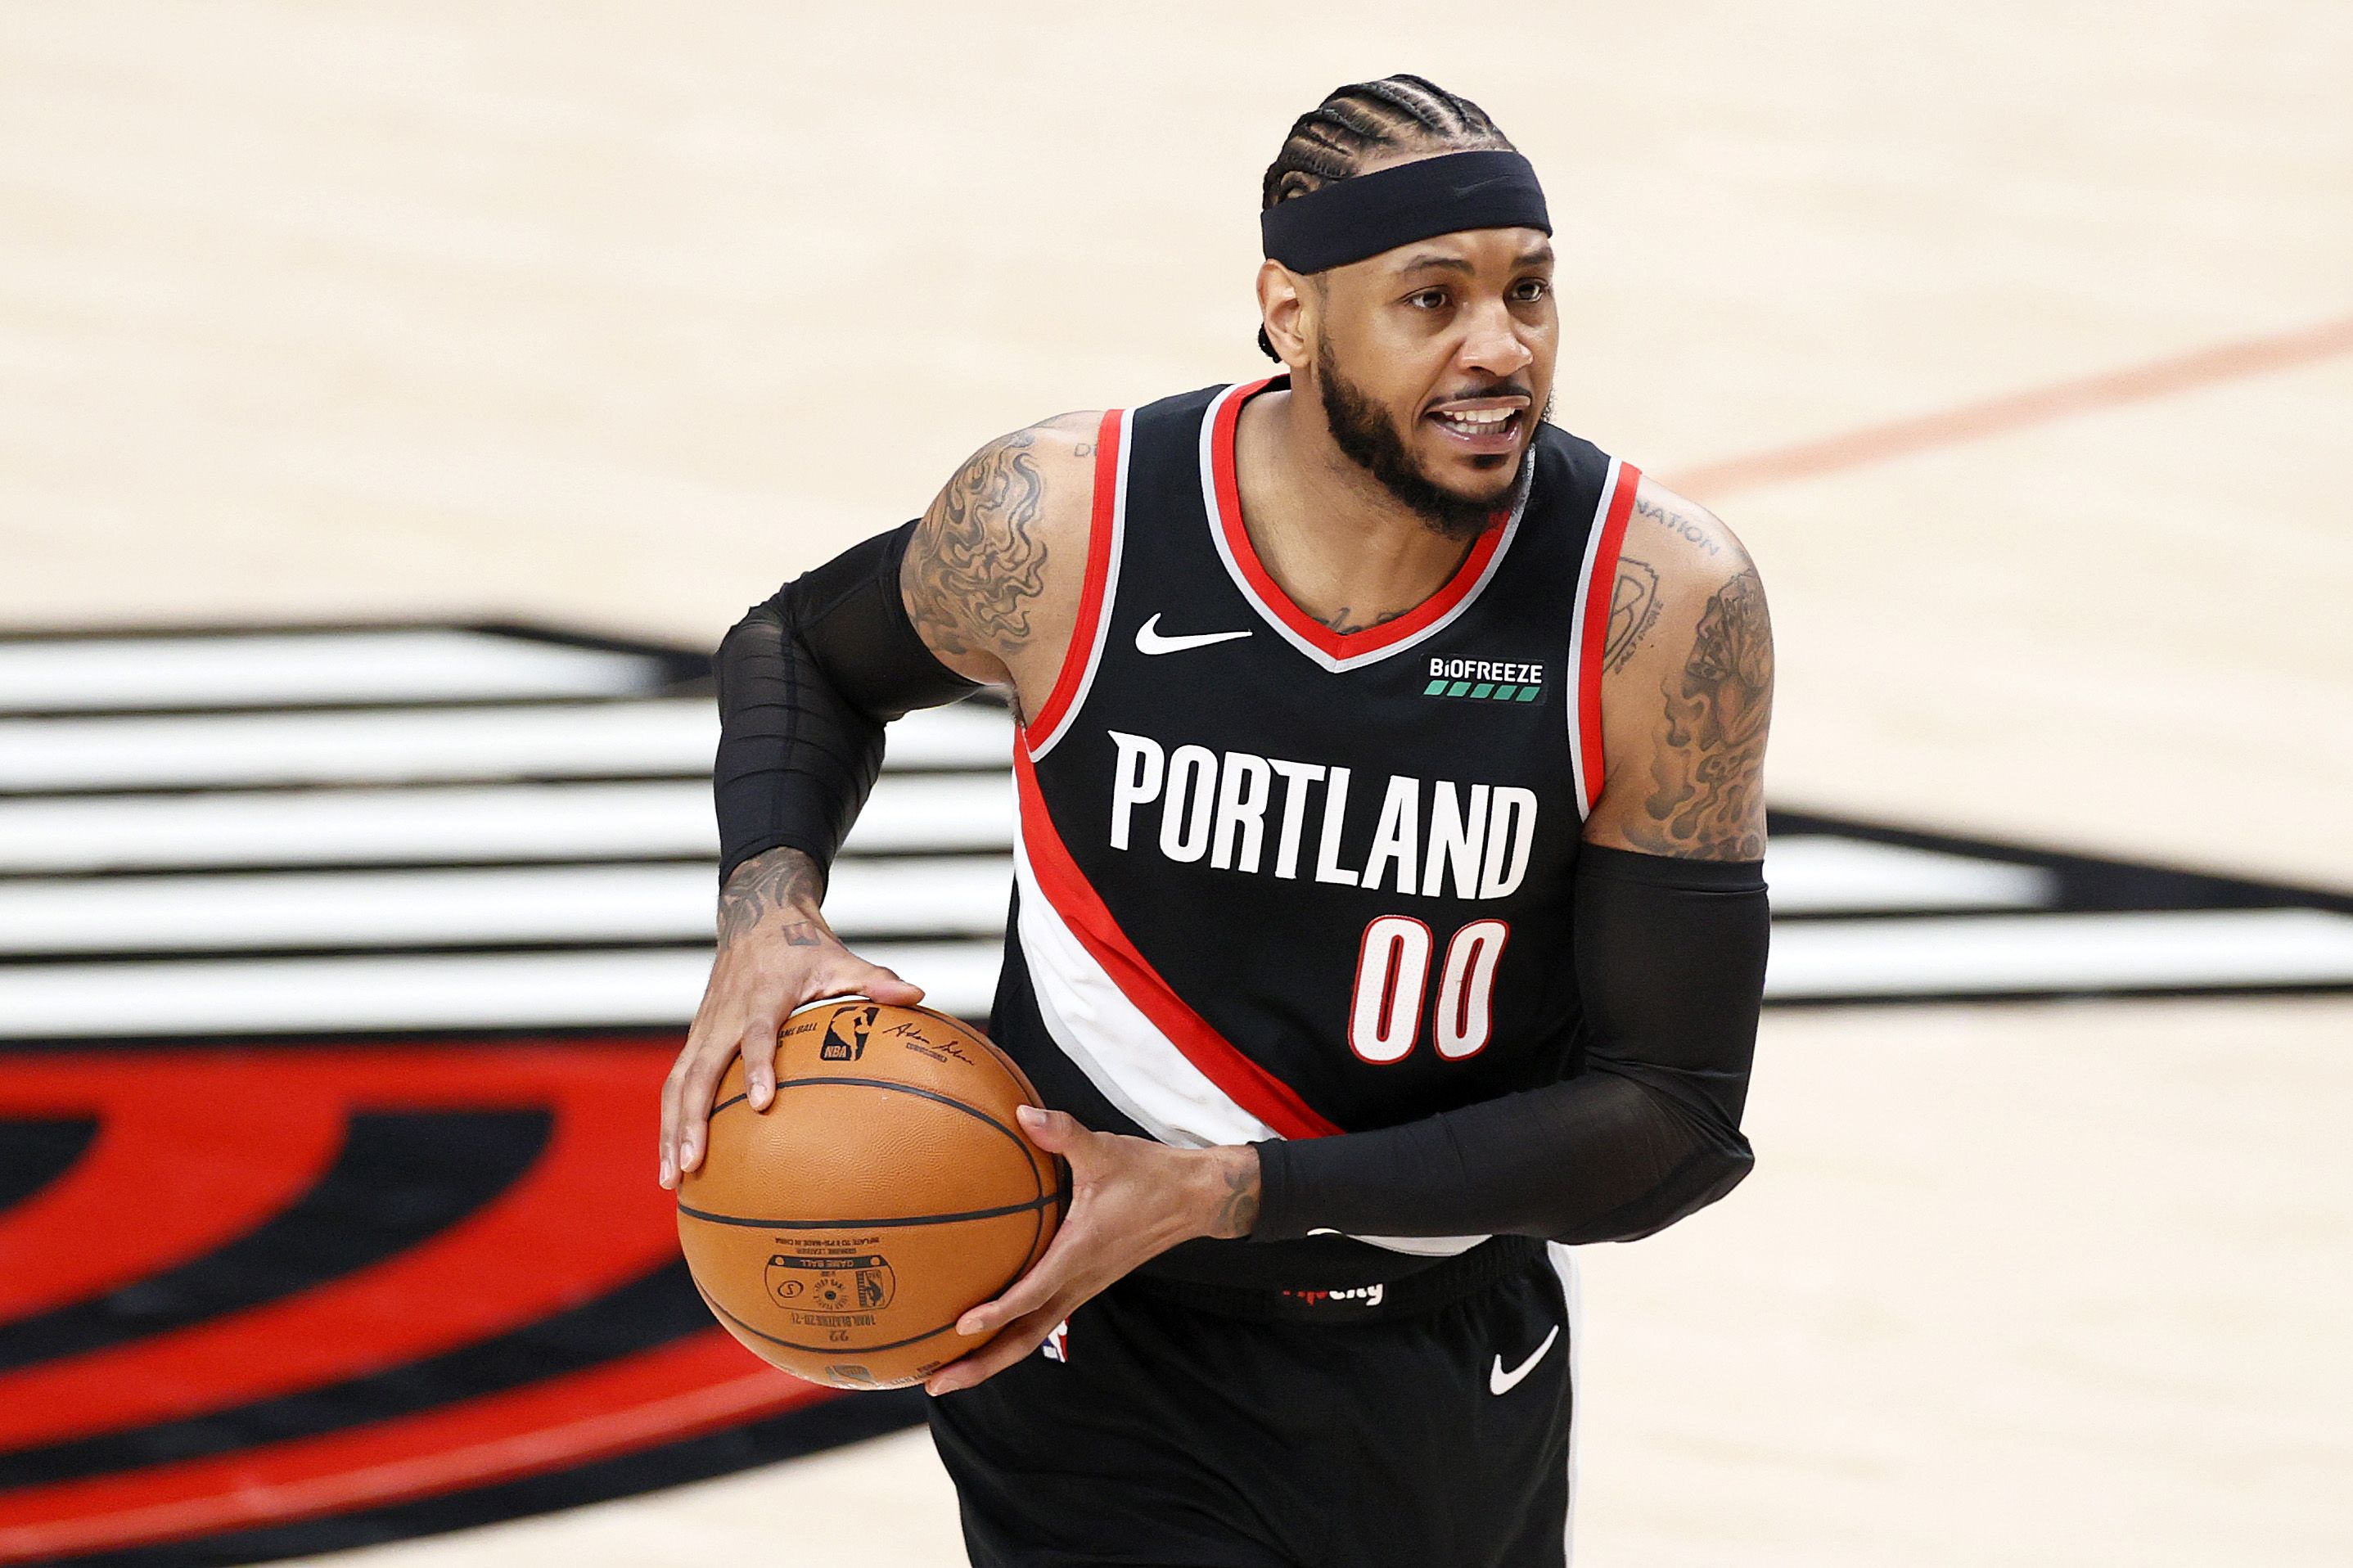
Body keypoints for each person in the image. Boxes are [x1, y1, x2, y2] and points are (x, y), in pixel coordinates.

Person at [659, 74, 1773, 1568]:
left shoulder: (1651, 605)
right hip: (1087, 1347)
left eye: (1530, 291)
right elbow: (798, 648)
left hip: (1434, 1359)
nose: (1499, 349)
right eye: (1430, 299)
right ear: (1291, 312)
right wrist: (769, 913)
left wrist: (1231, 1192)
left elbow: (1676, 1122)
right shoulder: (1072, 521)